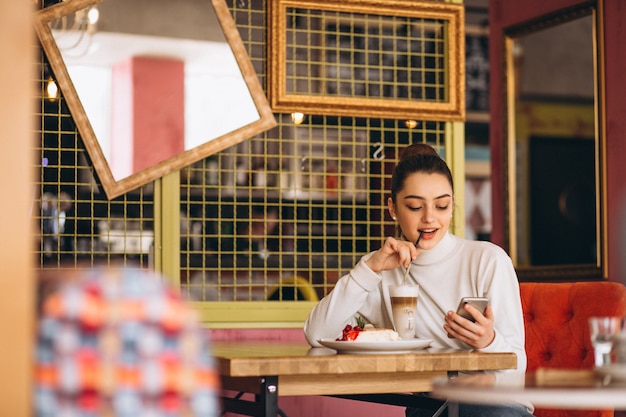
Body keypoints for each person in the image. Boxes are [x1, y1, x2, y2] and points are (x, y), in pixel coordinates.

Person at [304, 143, 534, 417]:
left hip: (496, 406)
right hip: (430, 407)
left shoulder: (487, 260)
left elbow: (516, 369)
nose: (429, 218)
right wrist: (369, 268)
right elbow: (317, 334)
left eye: (442, 205)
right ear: (393, 208)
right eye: (415, 206)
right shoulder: (379, 269)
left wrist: (489, 342)